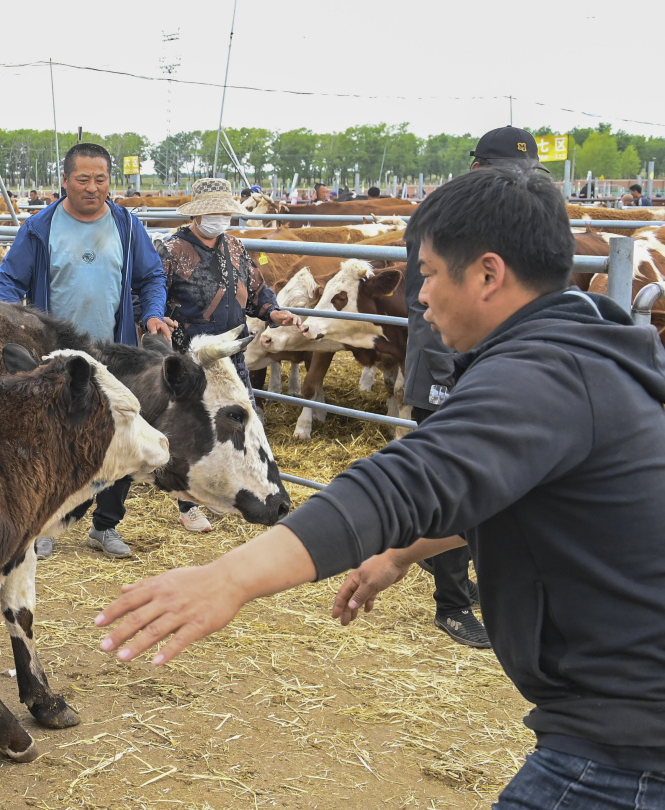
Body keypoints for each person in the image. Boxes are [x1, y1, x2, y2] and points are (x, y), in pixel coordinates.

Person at [97, 164, 665, 810]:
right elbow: (491, 488)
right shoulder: (582, 350)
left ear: (487, 274)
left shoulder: (540, 378)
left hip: (624, 750)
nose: (417, 297)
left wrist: (229, 579)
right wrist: (400, 555)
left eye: (426, 273)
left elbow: (401, 482)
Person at [404, 125, 549, 648]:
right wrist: (449, 376)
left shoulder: (511, 218)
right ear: (477, 170)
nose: (520, 185)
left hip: (492, 367)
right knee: (453, 486)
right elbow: (424, 301)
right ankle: (452, 604)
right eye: (510, 175)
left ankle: (465, 576)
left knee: (495, 482)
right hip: (448, 365)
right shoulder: (444, 218)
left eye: (528, 176)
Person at [0, 142, 174, 560]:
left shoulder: (128, 226)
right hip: (59, 355)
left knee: (119, 435)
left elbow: (152, 278)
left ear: (110, 180)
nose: (92, 188)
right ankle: (48, 525)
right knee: (56, 438)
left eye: (101, 179)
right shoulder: (40, 227)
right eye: (83, 179)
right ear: (64, 180)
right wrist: (12, 321)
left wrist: (152, 314)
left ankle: (105, 526)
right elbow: (8, 281)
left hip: (115, 352)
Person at [158, 177, 301, 533]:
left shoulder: (235, 248)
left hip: (233, 353)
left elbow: (257, 291)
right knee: (198, 430)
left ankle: (254, 490)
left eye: (226, 211)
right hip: (193, 357)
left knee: (246, 424)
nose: (222, 217)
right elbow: (150, 296)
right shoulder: (171, 250)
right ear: (198, 213)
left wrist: (274, 311)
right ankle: (189, 502)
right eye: (215, 211)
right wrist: (157, 319)